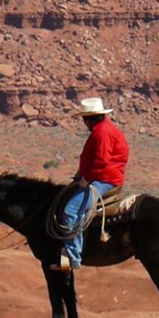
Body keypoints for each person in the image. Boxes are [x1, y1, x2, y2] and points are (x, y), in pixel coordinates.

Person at [54, 96, 128, 272]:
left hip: (104, 179)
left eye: (84, 118)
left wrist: (86, 178)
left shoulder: (102, 133)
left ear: (88, 118)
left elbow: (101, 160)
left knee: (71, 211)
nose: (83, 122)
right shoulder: (102, 129)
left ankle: (73, 257)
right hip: (100, 176)